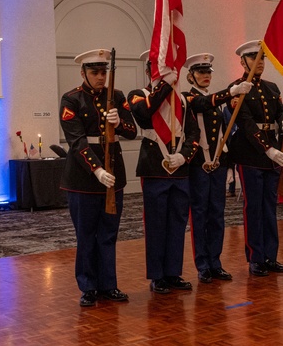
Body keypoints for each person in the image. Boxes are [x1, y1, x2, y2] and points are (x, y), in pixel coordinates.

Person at [60, 49, 137, 307]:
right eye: (95, 72)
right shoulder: (71, 100)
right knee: (86, 234)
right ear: (83, 73)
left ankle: (108, 284)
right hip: (84, 178)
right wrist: (97, 169)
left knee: (108, 233)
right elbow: (76, 141)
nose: (101, 77)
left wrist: (118, 122)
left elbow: (131, 130)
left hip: (113, 173)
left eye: (104, 72)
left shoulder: (116, 96)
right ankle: (88, 286)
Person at [129, 51, 200, 294]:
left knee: (178, 222)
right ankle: (157, 275)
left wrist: (184, 155)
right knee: (156, 223)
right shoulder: (139, 95)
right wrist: (165, 85)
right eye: (159, 70)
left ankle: (173, 272)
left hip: (179, 169)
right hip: (154, 167)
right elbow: (145, 113)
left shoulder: (182, 100)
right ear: (150, 71)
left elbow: (193, 133)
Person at [183, 53, 251, 284]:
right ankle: (202, 264)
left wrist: (227, 163)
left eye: (208, 72)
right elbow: (204, 103)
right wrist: (230, 92)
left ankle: (215, 262)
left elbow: (222, 132)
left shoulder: (216, 103)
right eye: (200, 72)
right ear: (190, 76)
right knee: (199, 215)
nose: (205, 76)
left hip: (217, 165)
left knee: (216, 215)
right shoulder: (188, 98)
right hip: (198, 165)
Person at [228, 40, 283, 276]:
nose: (260, 63)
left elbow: (281, 111)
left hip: (271, 155)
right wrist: (267, 148)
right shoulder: (238, 88)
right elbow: (246, 123)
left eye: (262, 59)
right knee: (253, 207)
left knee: (268, 207)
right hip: (250, 153)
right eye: (254, 59)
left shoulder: (272, 88)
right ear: (243, 62)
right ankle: (255, 258)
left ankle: (270, 256)